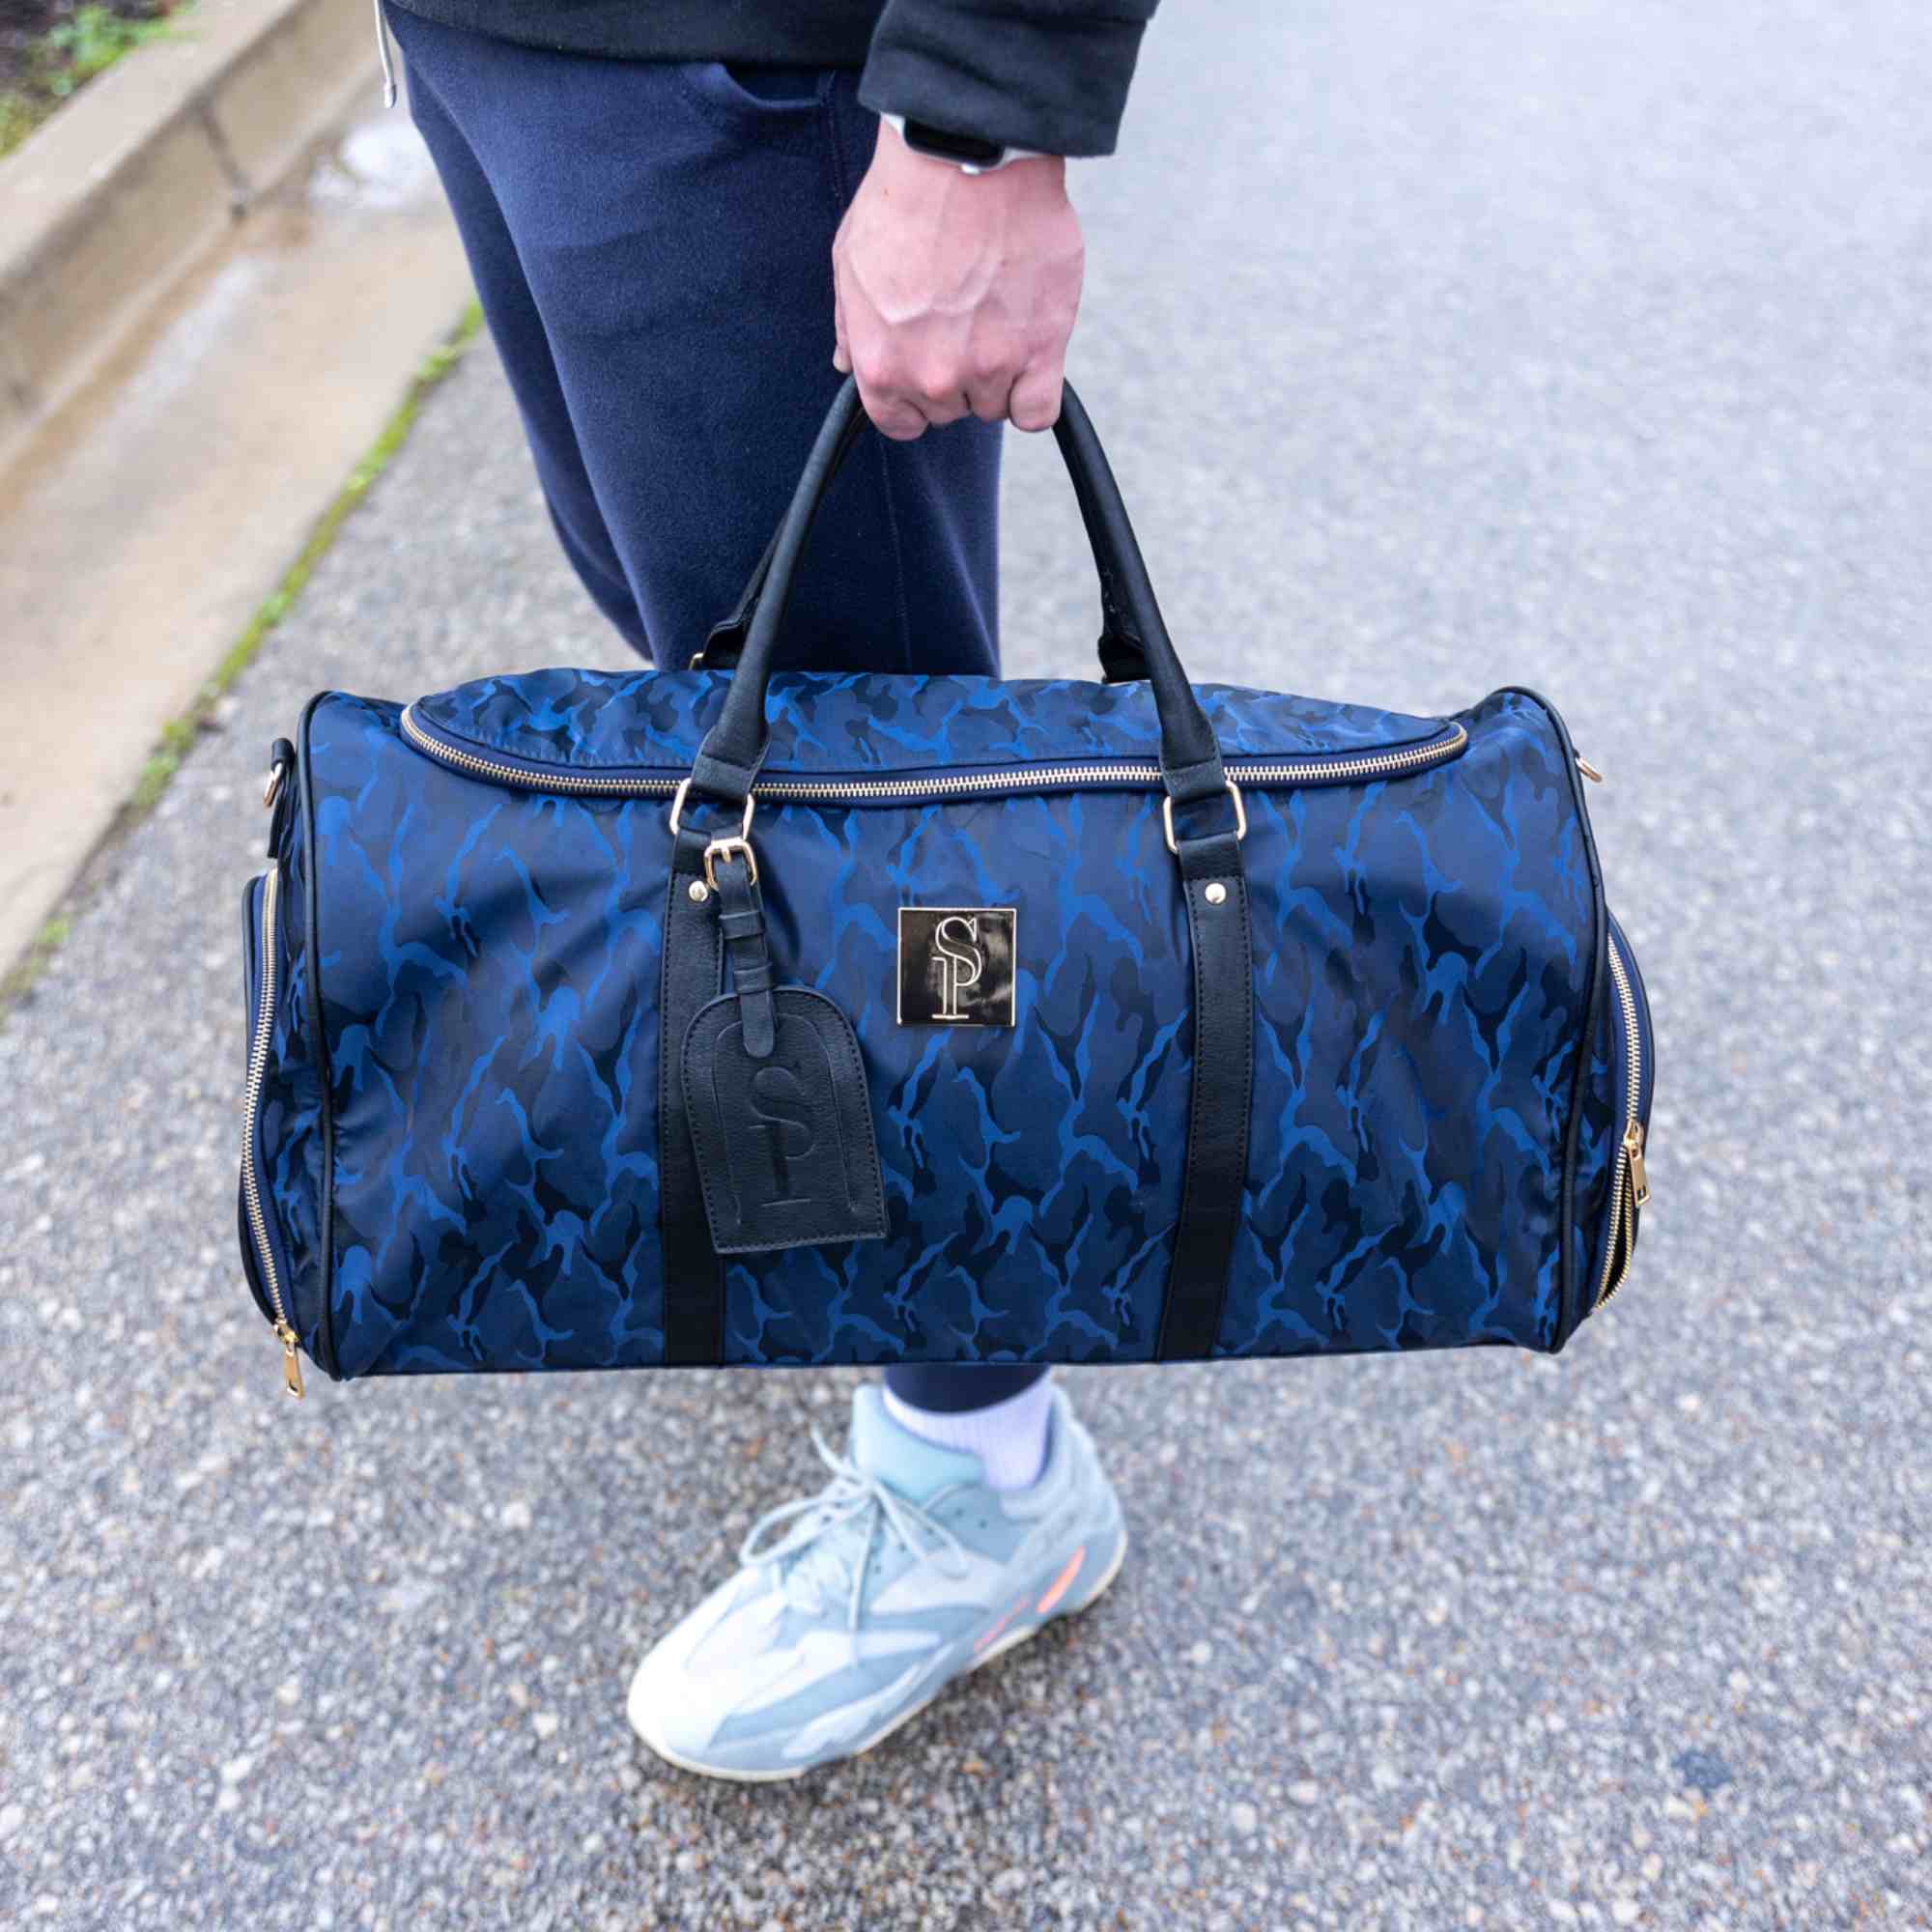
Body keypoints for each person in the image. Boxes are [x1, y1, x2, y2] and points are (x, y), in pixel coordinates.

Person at [376, 0, 1158, 1778]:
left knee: (882, 839)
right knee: (724, 695)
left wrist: (978, 115)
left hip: (747, 63)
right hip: (517, 48)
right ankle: (881, 1214)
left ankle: (989, 1471)